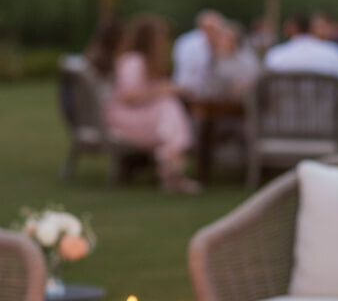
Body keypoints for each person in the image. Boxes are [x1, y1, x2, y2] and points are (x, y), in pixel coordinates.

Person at [106, 14, 199, 193]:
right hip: (125, 118)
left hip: (141, 116)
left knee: (169, 108)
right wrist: (165, 90)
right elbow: (129, 96)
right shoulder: (133, 61)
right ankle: (171, 169)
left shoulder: (144, 63)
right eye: (161, 38)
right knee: (169, 106)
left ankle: (171, 166)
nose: (164, 43)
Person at [263, 13, 338, 89]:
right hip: (326, 113)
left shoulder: (275, 55)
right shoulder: (333, 52)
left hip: (282, 113)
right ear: (312, 28)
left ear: (291, 29)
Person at [172, 10, 223, 96]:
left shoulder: (221, 42)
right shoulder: (188, 43)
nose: (212, 32)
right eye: (209, 28)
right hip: (189, 91)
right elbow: (188, 73)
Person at [203, 21, 260, 98]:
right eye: (220, 39)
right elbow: (209, 81)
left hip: (243, 99)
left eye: (225, 39)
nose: (222, 42)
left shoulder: (246, 58)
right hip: (218, 98)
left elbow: (252, 79)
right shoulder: (215, 58)